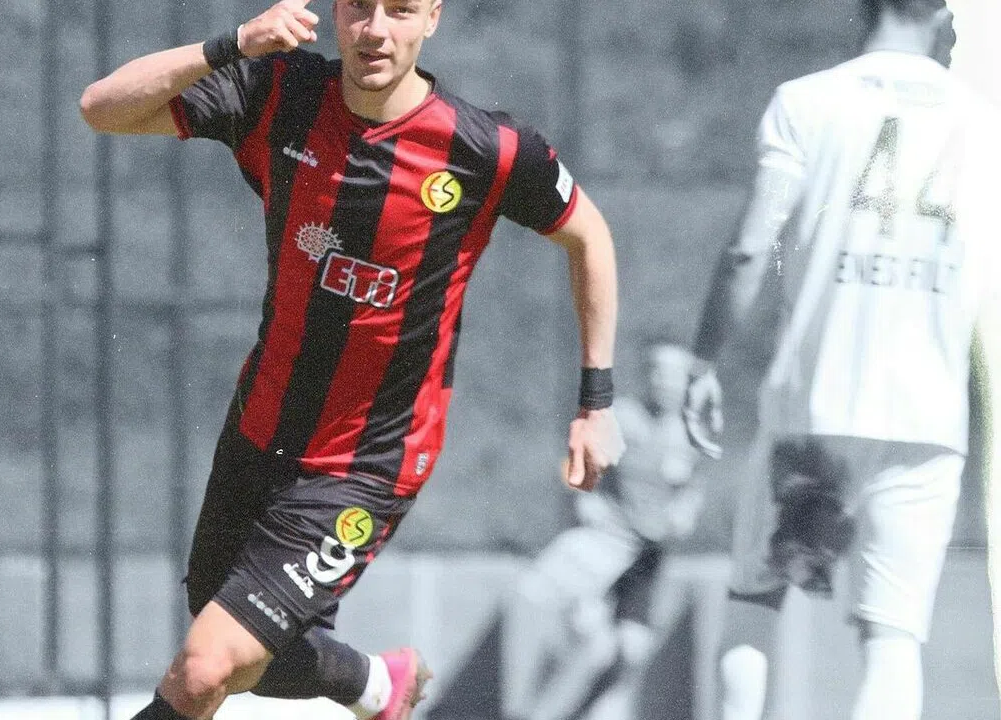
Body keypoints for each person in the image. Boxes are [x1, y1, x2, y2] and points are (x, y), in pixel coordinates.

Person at [79, 2, 626, 719]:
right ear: (335, 13)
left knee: (205, 665)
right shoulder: (280, 94)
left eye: (400, 10)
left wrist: (596, 401)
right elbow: (102, 108)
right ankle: (375, 684)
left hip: (366, 464)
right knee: (230, 658)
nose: (376, 30)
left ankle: (369, 685)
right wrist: (232, 44)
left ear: (431, 18)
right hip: (258, 428)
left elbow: (589, 238)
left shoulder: (487, 149)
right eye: (359, 7)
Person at [682, 1, 1000, 718]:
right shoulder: (986, 125)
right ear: (942, 13)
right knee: (892, 641)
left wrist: (703, 363)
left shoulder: (808, 103)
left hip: (815, 407)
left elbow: (748, 250)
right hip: (927, 418)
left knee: (756, 600)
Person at [503, 339, 704, 720]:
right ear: (645, 375)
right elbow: (574, 467)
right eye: (658, 371)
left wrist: (684, 513)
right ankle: (531, 710)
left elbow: (691, 490)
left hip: (647, 558)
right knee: (582, 634)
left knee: (631, 652)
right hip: (606, 547)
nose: (665, 382)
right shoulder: (620, 419)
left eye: (675, 374)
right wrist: (586, 499)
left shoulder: (690, 433)